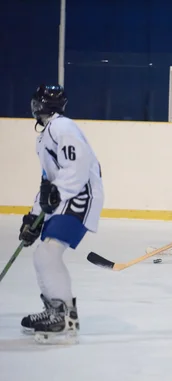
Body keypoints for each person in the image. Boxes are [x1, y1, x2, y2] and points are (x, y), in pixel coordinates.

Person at [19, 84, 104, 344]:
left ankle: (63, 316)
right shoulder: (48, 134)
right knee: (42, 255)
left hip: (79, 196)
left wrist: (55, 194)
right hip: (69, 195)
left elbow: (76, 166)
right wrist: (34, 217)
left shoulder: (61, 127)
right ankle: (57, 312)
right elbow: (48, 183)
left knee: (48, 252)